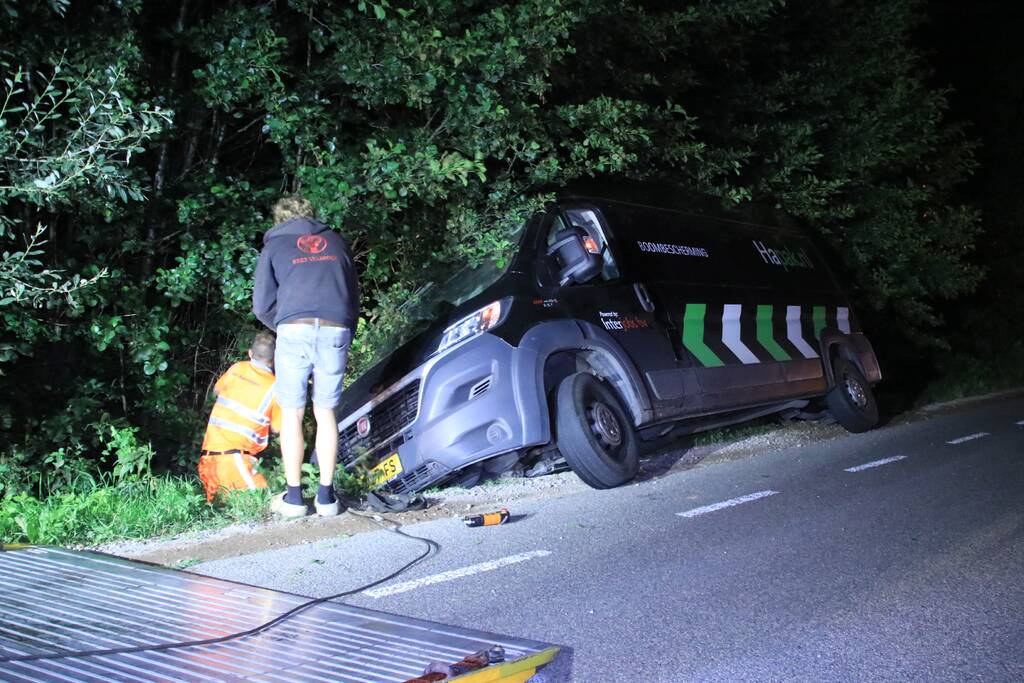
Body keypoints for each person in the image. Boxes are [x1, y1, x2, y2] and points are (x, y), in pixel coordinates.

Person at [252, 195, 359, 518]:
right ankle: (327, 498)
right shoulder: (336, 242)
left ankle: (295, 499)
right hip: (335, 328)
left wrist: (285, 325)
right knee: (326, 412)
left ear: (280, 219)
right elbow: (352, 294)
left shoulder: (275, 246)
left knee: (293, 413)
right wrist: (345, 330)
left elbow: (261, 304)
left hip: (294, 330)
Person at [198, 331, 281, 502]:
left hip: (208, 460)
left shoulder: (236, 368)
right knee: (263, 505)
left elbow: (216, 391)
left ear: (250, 353)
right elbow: (278, 428)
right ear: (274, 360)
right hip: (234, 461)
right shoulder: (275, 388)